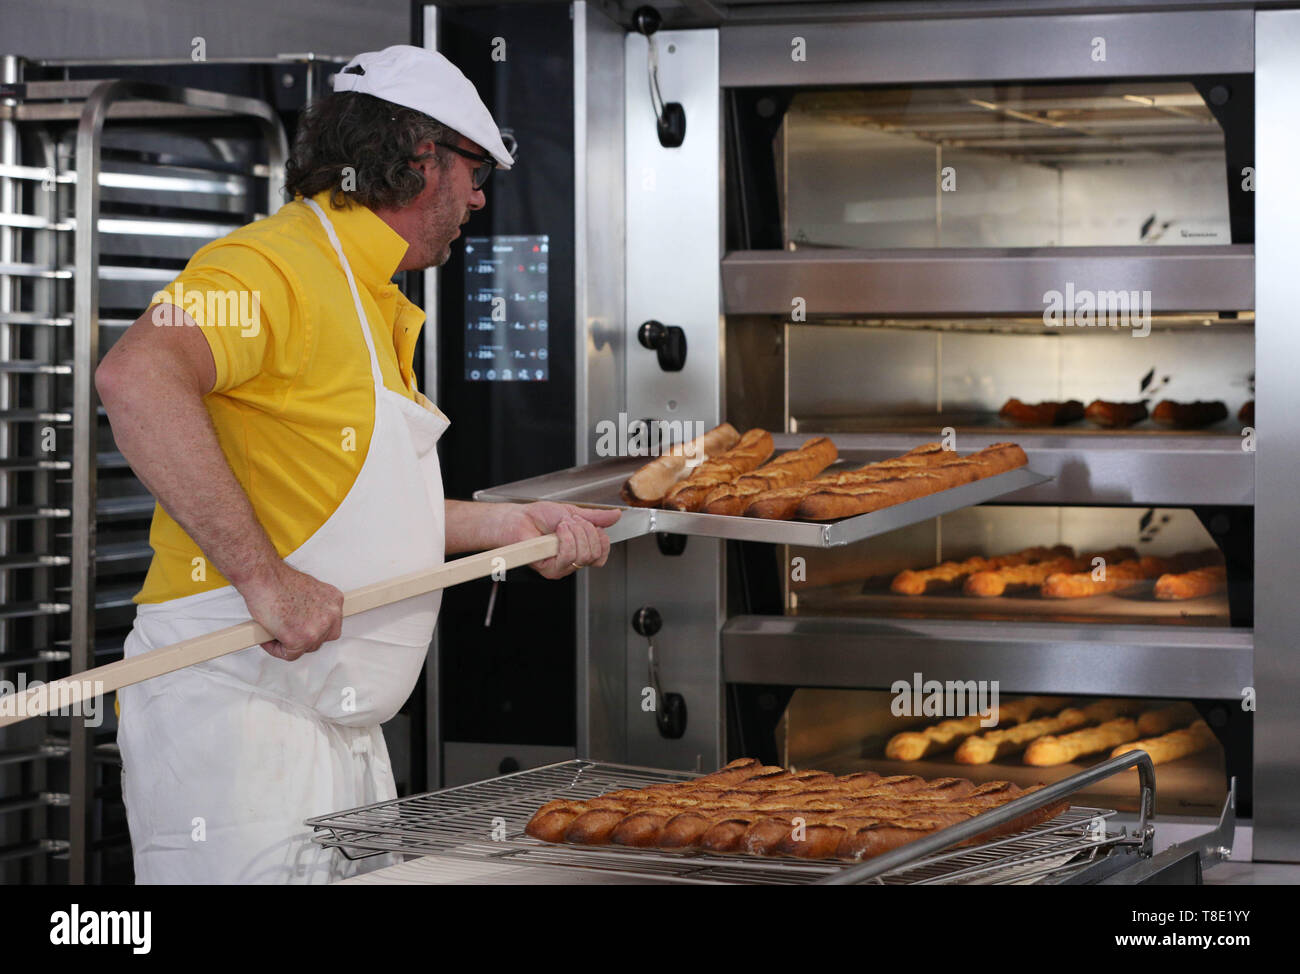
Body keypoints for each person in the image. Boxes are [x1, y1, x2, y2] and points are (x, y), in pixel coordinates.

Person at [95, 45, 618, 884]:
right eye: (475, 170)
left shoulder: (368, 291)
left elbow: (346, 501)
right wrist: (265, 580)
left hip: (329, 727)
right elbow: (134, 377)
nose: (480, 196)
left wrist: (509, 526)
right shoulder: (272, 265)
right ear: (421, 159)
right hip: (237, 726)